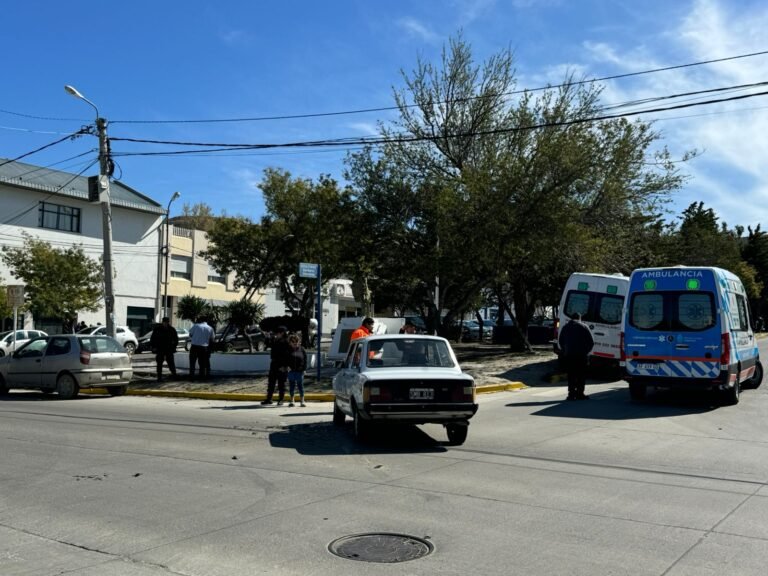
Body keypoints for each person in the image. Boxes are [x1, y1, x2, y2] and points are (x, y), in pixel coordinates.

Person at [558, 314, 594, 400]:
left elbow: (561, 341)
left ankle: (571, 394)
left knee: (571, 375)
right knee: (581, 375)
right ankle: (580, 394)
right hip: (581, 356)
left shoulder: (565, 327)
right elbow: (591, 342)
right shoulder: (584, 326)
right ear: (579, 318)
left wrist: (565, 351)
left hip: (569, 355)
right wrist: (586, 352)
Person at [262, 326, 291, 405]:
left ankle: (281, 399)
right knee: (271, 382)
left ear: (282, 333)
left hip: (282, 364)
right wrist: (267, 337)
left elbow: (288, 355)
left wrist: (285, 366)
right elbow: (268, 344)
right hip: (274, 363)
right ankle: (269, 399)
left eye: (277, 333)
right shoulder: (275, 340)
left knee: (281, 383)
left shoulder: (286, 342)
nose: (276, 334)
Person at [150, 316, 178, 381]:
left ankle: (174, 375)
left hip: (169, 349)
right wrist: (153, 347)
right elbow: (153, 338)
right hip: (160, 349)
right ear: (162, 322)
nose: (165, 323)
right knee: (159, 364)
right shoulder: (157, 329)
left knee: (171, 363)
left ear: (168, 322)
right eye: (164, 322)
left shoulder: (171, 329)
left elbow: (176, 339)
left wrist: (174, 347)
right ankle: (159, 377)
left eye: (167, 322)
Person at [188, 316, 214, 381]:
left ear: (200, 320)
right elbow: (212, 339)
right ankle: (201, 378)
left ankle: (192, 377)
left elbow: (190, 334)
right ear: (206, 321)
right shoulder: (210, 328)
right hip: (204, 348)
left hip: (194, 347)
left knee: (192, 363)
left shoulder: (196, 326)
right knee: (202, 364)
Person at [286, 333, 307, 407]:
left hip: (300, 371)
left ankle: (302, 400)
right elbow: (285, 360)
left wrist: (304, 369)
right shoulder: (288, 350)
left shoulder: (302, 349)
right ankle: (292, 400)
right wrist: (286, 366)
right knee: (291, 386)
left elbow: (305, 360)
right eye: (293, 342)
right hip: (291, 371)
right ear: (290, 342)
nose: (295, 343)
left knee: (300, 386)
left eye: (296, 342)